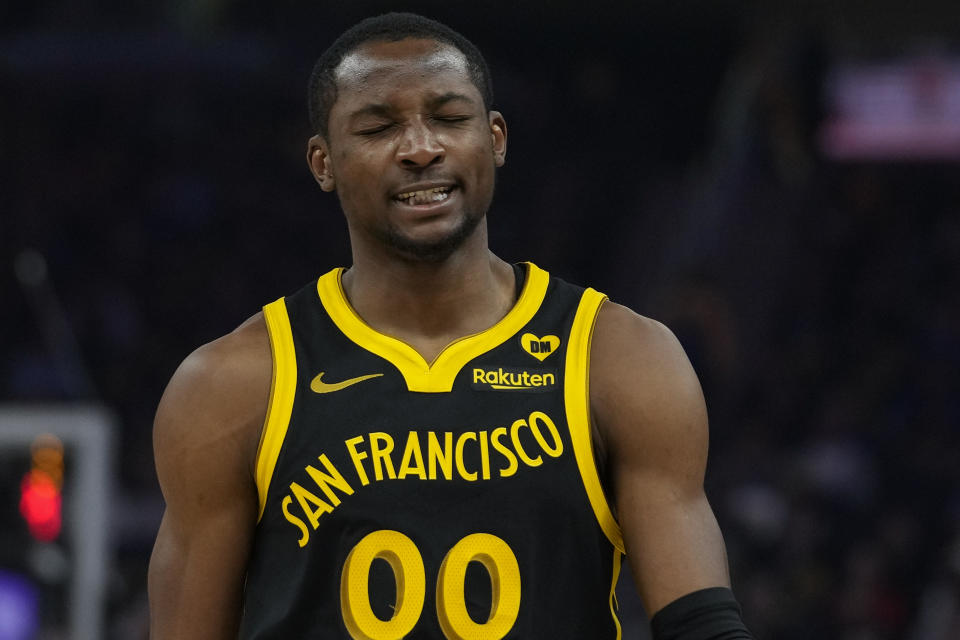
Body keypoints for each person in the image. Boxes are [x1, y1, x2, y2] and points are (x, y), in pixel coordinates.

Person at [148, 12, 753, 640]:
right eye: (379, 127)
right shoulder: (231, 384)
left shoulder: (621, 356)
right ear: (322, 163)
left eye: (450, 118)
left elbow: (701, 625)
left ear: (495, 138)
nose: (420, 148)